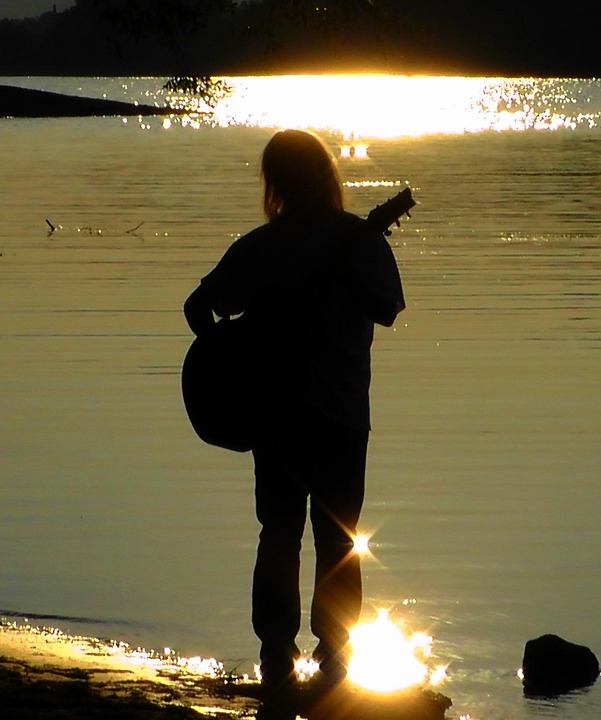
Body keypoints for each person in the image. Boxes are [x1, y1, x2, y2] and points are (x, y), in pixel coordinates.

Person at [183, 129, 406, 693]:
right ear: (327, 177)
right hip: (339, 416)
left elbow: (196, 306)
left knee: (280, 533)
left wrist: (224, 347)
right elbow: (388, 310)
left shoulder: (263, 246)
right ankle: (331, 661)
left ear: (275, 183)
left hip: (281, 415)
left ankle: (278, 656)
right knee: (335, 539)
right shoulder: (354, 240)